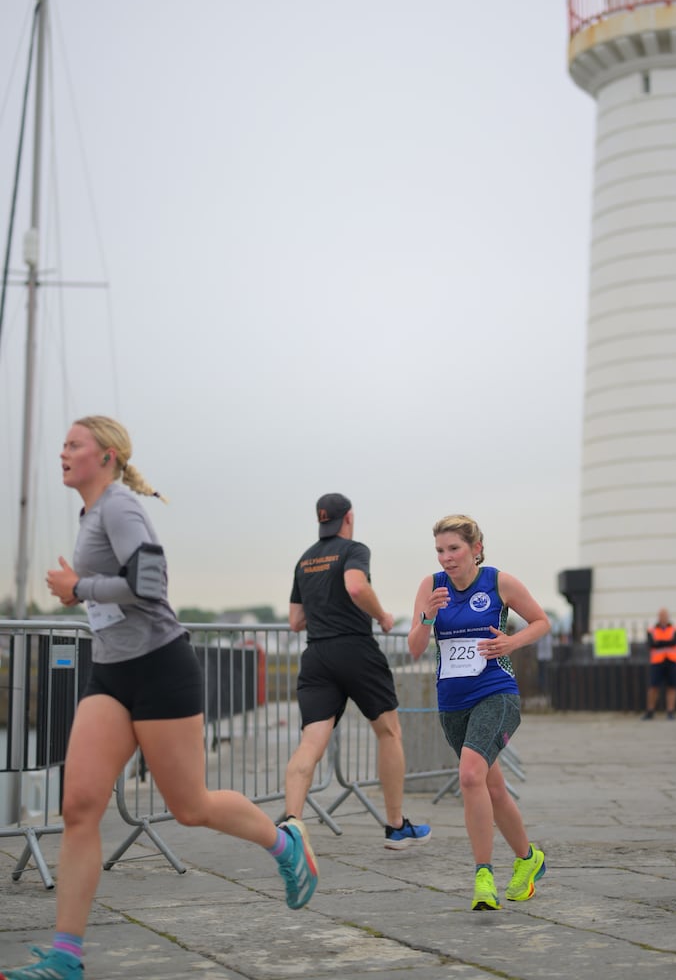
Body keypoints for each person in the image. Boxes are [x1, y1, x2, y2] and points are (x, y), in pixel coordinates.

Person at [1, 417, 318, 980]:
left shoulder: (120, 507)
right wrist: (85, 591)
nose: (62, 452)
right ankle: (65, 957)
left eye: (73, 444)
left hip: (160, 669)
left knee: (189, 807)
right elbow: (117, 594)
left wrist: (80, 588)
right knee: (79, 808)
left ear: (107, 455)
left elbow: (151, 585)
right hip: (111, 673)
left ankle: (284, 844)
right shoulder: (91, 513)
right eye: (64, 444)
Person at [408, 514, 550, 912]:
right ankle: (529, 858)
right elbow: (415, 648)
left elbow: (541, 622)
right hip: (452, 701)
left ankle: (483, 876)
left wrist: (511, 642)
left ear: (476, 549)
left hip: (496, 692)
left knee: (470, 775)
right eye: (440, 551)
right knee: (491, 787)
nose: (446, 558)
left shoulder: (498, 582)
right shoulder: (431, 587)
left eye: (454, 549)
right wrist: (427, 617)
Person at [283, 493, 430, 849]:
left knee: (311, 742)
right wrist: (381, 615)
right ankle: (396, 826)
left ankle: (291, 824)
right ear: (348, 517)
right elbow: (355, 586)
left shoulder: (305, 559)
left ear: (321, 519)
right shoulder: (353, 550)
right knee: (388, 733)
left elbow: (295, 621)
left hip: (316, 655)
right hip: (355, 649)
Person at [642, 607, 676, 721]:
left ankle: (670, 711)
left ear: (668, 617)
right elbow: (651, 644)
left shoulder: (675, 628)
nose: (663, 618)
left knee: (672, 686)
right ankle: (650, 711)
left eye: (665, 616)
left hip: (671, 660)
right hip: (657, 661)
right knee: (653, 687)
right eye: (661, 616)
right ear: (658, 617)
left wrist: (659, 643)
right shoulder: (651, 630)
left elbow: (675, 641)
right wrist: (666, 643)